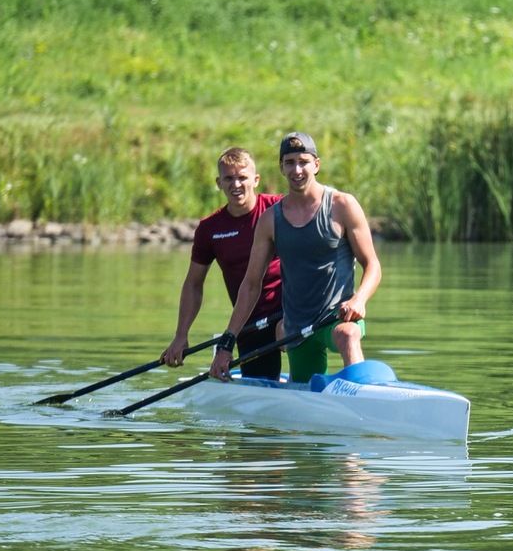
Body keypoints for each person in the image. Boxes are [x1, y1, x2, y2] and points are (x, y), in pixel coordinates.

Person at [209, 131, 382, 383]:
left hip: (338, 316)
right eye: (290, 162)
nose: (297, 169)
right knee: (303, 384)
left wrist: (359, 299)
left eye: (303, 161)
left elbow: (373, 265)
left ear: (316, 165)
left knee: (347, 334)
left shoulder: (342, 206)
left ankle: (361, 391)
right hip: (298, 329)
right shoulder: (270, 221)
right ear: (281, 167)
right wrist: (226, 343)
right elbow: (250, 285)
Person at [160, 147, 283, 379]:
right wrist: (180, 335)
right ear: (219, 182)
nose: (236, 184)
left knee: (288, 335)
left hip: (286, 312)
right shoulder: (210, 229)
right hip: (248, 323)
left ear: (255, 180)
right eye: (229, 178)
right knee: (258, 388)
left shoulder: (279, 209)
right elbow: (194, 284)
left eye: (242, 178)